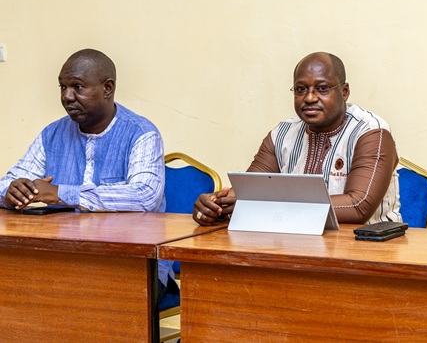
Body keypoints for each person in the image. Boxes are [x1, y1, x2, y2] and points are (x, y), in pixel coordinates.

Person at [0, 48, 177, 308]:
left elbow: (145, 196)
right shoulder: (52, 134)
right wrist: (11, 192)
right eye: (62, 87)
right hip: (63, 261)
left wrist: (61, 193)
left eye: (78, 87)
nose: (67, 96)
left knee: (86, 303)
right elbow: (7, 183)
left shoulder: (141, 133)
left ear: (107, 88)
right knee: (19, 292)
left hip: (131, 266)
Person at [194, 51, 401, 226]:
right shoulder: (282, 134)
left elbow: (358, 207)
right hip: (296, 247)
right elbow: (248, 194)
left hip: (367, 250)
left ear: (344, 92)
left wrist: (271, 205)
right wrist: (214, 206)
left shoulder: (371, 132)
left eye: (322, 88)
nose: (309, 98)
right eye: (301, 89)